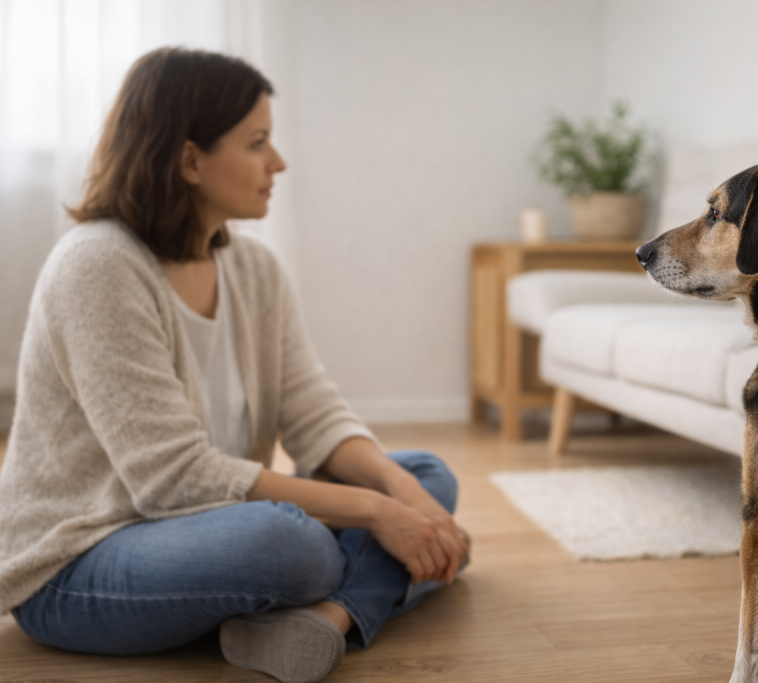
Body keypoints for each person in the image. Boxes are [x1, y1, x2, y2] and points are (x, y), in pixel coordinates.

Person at [0, 47, 470, 683]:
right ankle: (376, 581)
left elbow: (314, 412)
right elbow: (172, 479)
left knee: (425, 475)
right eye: (257, 143)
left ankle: (327, 618)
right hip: (80, 562)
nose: (278, 162)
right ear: (190, 160)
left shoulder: (254, 269)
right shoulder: (97, 265)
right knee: (294, 543)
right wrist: (380, 515)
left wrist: (403, 495)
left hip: (207, 528)